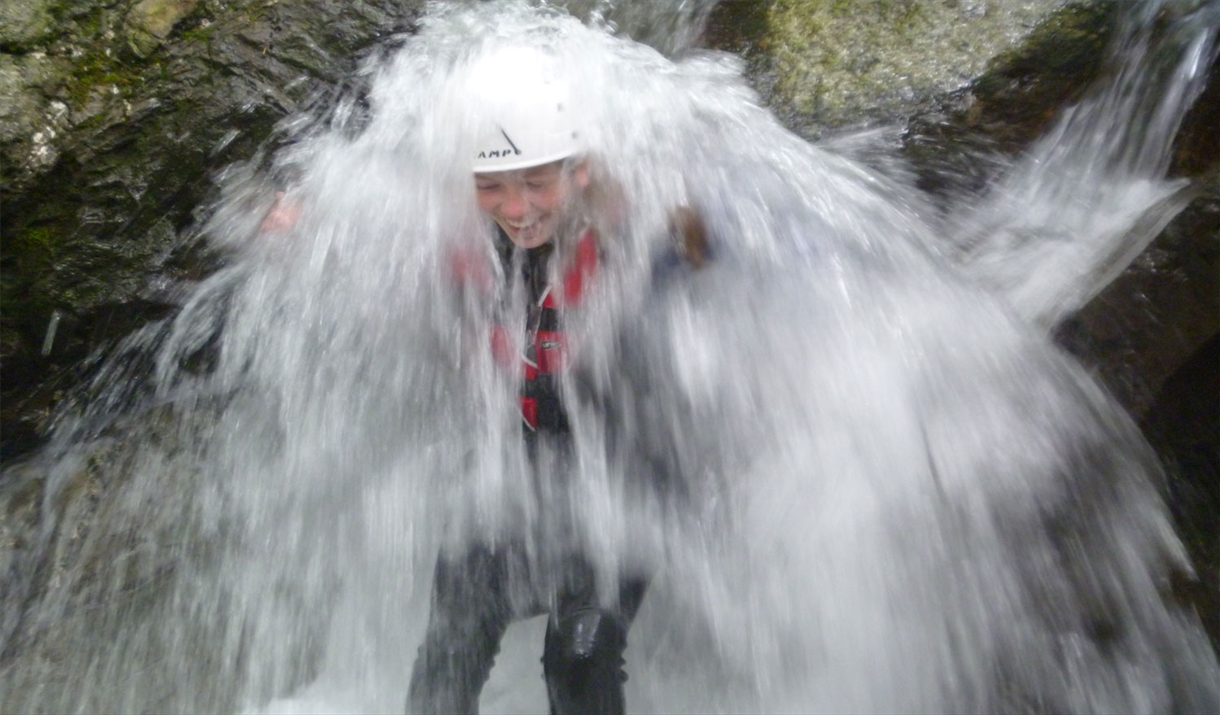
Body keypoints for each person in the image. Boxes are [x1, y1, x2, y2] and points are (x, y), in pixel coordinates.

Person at [406, 46, 654, 715]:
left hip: (622, 473)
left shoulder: (633, 239)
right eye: (492, 186)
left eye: (536, 181)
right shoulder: (456, 241)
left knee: (577, 658)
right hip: (510, 465)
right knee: (448, 649)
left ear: (580, 172)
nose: (517, 208)